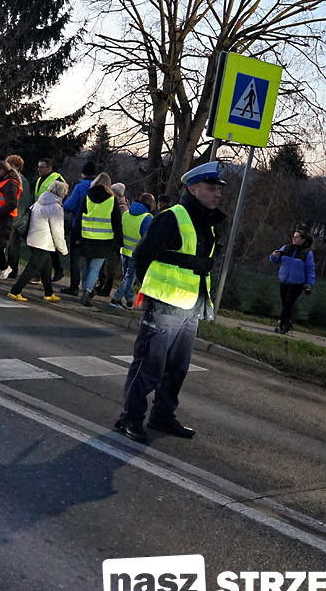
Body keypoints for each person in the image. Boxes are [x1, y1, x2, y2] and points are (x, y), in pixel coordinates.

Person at [115, 161, 226, 443]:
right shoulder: (171, 217)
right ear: (193, 188)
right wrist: (150, 290)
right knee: (149, 366)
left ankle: (162, 416)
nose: (218, 194)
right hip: (164, 307)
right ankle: (130, 418)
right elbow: (142, 255)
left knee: (177, 369)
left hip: (191, 308)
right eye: (212, 189)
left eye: (219, 190)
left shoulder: (207, 222)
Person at [8, 178, 69, 301]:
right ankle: (15, 290)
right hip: (44, 242)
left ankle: (49, 293)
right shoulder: (56, 208)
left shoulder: (39, 202)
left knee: (46, 267)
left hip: (33, 238)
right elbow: (57, 230)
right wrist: (63, 249)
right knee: (32, 268)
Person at [76, 172, 123, 305]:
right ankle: (88, 291)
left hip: (86, 236)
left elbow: (80, 216)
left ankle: (85, 288)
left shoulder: (88, 196)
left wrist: (77, 235)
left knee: (87, 265)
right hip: (104, 239)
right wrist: (119, 239)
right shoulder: (112, 200)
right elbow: (116, 221)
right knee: (95, 268)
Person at [111, 193, 157, 309]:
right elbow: (147, 237)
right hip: (136, 253)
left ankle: (129, 299)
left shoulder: (126, 213)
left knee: (128, 277)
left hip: (124, 250)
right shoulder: (147, 217)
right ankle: (116, 299)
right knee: (129, 278)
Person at [270, 228, 316, 334]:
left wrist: (309, 284)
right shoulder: (286, 248)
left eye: (297, 237)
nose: (294, 239)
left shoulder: (307, 253)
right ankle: (287, 323)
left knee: (288, 304)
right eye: (293, 237)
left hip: (297, 284)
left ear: (303, 239)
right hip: (284, 281)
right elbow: (276, 260)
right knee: (285, 304)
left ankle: (281, 324)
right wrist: (273, 256)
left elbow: (310, 269)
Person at [62, 161, 98, 294]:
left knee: (75, 259)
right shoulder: (103, 189)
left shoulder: (80, 187)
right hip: (97, 231)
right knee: (91, 261)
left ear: (83, 173)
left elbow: (69, 205)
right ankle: (89, 287)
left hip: (79, 226)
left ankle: (74, 286)